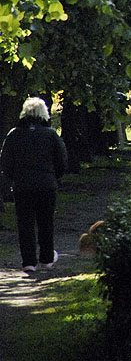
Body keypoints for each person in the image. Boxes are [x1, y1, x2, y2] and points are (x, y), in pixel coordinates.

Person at [0, 97, 69, 273]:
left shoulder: (14, 134)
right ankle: (46, 259)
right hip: (46, 184)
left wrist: (12, 178)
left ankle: (28, 262)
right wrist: (55, 177)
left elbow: (5, 162)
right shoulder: (51, 135)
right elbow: (61, 160)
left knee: (25, 224)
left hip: (22, 186)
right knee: (46, 222)